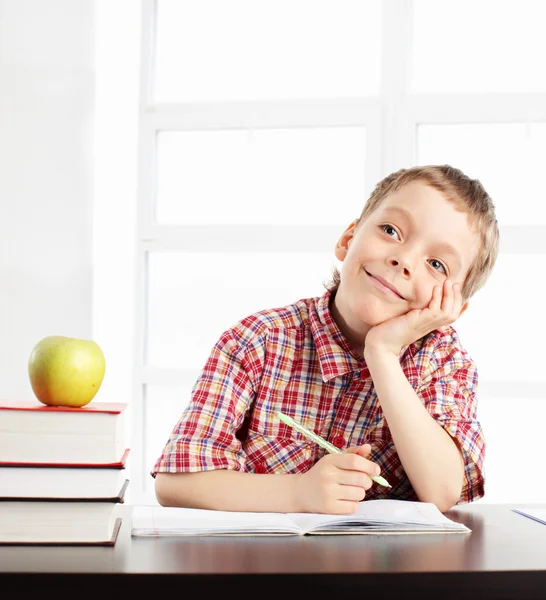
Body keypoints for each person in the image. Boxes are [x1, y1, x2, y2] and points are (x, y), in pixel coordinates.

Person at [152, 164, 499, 514]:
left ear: (452, 308)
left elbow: (442, 490)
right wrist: (299, 493)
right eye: (391, 230)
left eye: (437, 264)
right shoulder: (257, 341)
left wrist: (382, 353)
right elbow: (175, 483)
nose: (403, 259)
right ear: (348, 239)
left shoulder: (443, 363)